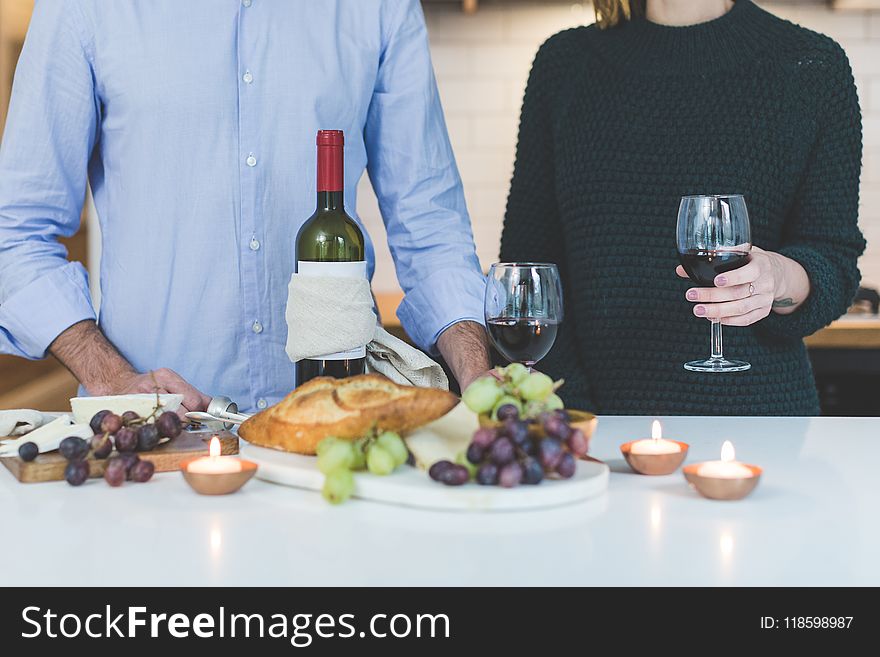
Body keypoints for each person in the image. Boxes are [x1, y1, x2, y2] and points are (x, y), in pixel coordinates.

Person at [0, 0, 491, 414]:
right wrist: (110, 376)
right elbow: (16, 233)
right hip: (155, 432)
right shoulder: (85, 7)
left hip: (330, 427)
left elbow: (431, 227)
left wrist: (476, 374)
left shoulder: (378, 8)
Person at [500, 0, 865, 415]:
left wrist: (779, 278)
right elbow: (527, 272)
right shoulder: (563, 65)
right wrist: (574, 411)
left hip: (760, 424)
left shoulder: (813, 65)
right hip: (590, 424)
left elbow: (833, 259)